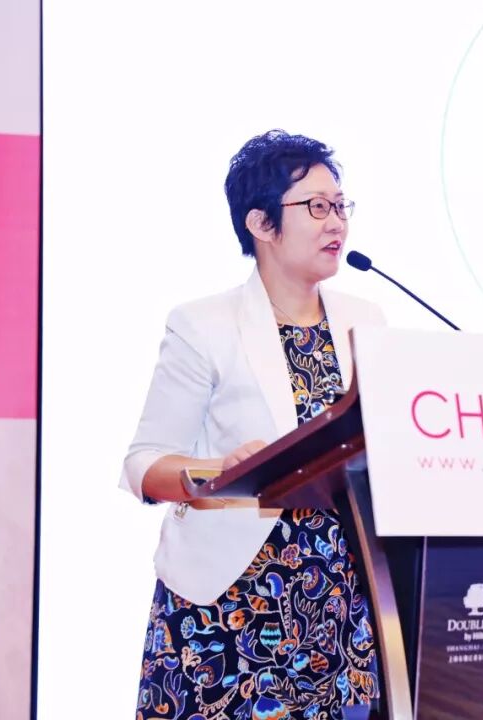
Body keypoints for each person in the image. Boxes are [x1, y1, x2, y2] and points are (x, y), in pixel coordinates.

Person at [121, 130, 382, 719]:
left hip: (343, 612)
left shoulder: (366, 321)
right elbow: (143, 463)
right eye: (316, 206)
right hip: (228, 609)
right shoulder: (203, 325)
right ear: (261, 224)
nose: (336, 222)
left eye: (341, 205)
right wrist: (218, 471)